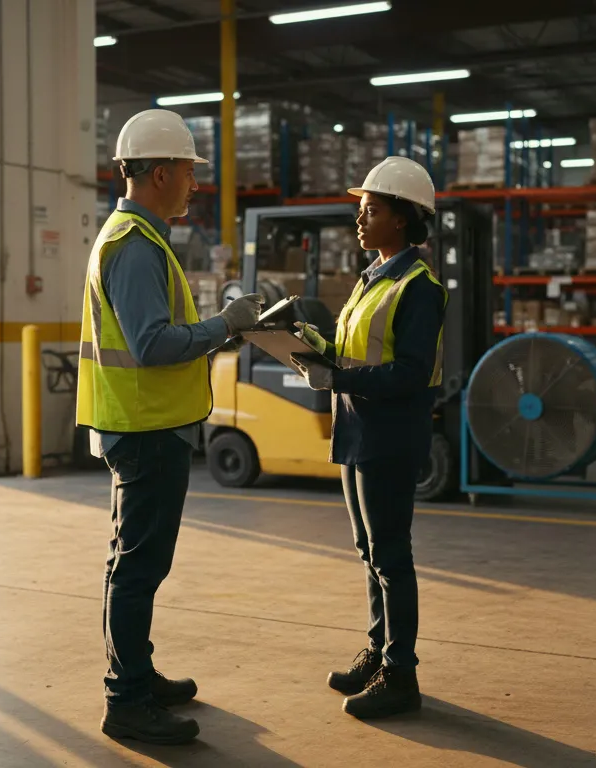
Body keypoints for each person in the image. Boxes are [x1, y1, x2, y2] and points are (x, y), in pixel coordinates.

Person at [77, 108, 266, 745]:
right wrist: (228, 326)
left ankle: (135, 674)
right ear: (160, 173)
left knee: (136, 563)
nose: (194, 185)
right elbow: (154, 345)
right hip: (145, 429)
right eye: (188, 173)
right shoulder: (134, 245)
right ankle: (126, 700)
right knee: (138, 567)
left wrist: (216, 320)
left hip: (143, 425)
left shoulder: (139, 237)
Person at [289, 156, 446, 720]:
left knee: (391, 556)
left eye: (371, 210)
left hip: (389, 435)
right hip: (357, 429)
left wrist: (340, 377)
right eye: (361, 210)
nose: (360, 220)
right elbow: (355, 350)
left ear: (402, 219)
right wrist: (308, 344)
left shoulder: (418, 287)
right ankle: (380, 650)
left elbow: (409, 370)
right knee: (369, 551)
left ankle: (401, 675)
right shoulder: (372, 278)